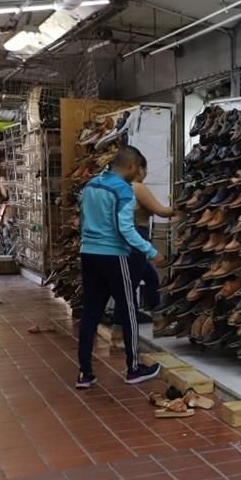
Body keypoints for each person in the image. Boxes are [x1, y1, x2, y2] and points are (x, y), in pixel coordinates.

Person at [76, 146, 166, 389]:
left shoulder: (91, 185)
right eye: (138, 168)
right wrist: (152, 251)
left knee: (90, 313)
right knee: (128, 310)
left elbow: (83, 219)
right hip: (114, 256)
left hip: (89, 253)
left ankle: (85, 373)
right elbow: (125, 229)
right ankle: (134, 368)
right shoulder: (123, 190)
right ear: (131, 166)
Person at [130, 155, 175, 310]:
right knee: (133, 284)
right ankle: (124, 326)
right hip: (137, 236)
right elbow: (161, 211)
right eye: (146, 169)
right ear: (140, 169)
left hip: (131, 237)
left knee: (150, 277)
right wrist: (185, 206)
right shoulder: (137, 187)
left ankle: (156, 316)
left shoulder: (122, 186)